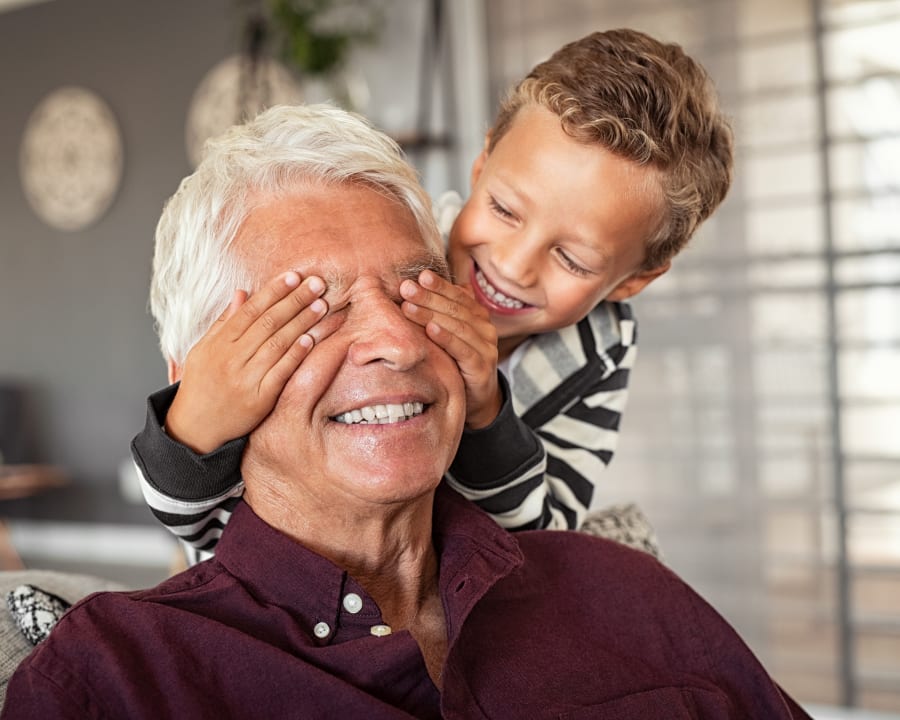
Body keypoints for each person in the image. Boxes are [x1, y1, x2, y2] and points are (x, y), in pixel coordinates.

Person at [4, 104, 805, 720]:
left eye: (416, 289)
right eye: (314, 307)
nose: (395, 338)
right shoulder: (116, 677)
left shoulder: (628, 594)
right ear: (202, 374)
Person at [130, 28, 734, 561]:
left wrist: (485, 411)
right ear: (481, 166)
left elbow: (537, 535)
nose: (512, 266)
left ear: (631, 281)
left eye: (571, 258)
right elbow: (189, 523)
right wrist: (197, 422)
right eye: (502, 208)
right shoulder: (401, 244)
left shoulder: (598, 351)